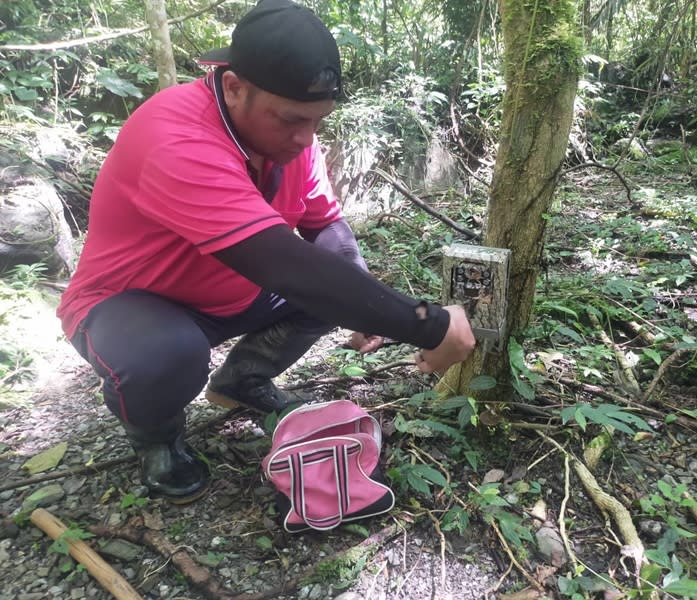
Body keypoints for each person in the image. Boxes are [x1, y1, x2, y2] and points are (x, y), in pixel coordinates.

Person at [56, 0, 475, 504]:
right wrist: (426, 323)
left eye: (318, 122)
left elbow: (326, 226)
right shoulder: (174, 136)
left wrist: (370, 306)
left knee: (336, 289)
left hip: (232, 295)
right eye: (291, 120)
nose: (306, 139)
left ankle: (242, 379)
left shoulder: (291, 143)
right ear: (233, 87)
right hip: (132, 305)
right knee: (167, 355)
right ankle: (157, 437)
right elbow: (279, 262)